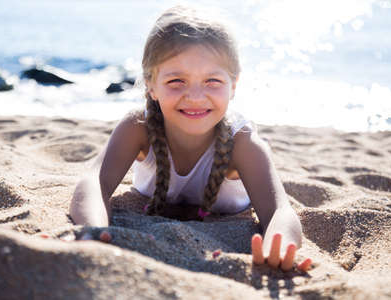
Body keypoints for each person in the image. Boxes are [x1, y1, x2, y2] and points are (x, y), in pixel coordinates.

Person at [70, 5, 311, 272]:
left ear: (234, 85)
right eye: (176, 81)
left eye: (212, 81)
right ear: (151, 85)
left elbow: (279, 210)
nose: (195, 96)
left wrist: (277, 245)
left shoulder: (243, 143)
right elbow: (93, 183)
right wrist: (93, 231)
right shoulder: (138, 127)